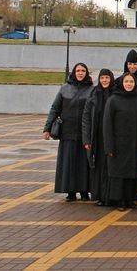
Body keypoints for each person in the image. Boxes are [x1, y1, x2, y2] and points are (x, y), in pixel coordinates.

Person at [43, 62, 93, 201]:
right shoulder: (65, 89)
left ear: (86, 73)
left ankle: (84, 191)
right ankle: (70, 191)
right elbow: (55, 108)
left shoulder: (91, 89)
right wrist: (47, 128)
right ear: (73, 73)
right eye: (78, 70)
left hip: (84, 132)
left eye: (83, 70)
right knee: (68, 163)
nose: (80, 73)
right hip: (68, 132)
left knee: (84, 163)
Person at [103, 73, 137, 211]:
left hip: (135, 144)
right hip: (119, 144)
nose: (129, 84)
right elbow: (107, 124)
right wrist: (109, 147)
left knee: (133, 172)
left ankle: (130, 199)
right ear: (122, 83)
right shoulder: (113, 100)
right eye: (127, 81)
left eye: (131, 82)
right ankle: (119, 200)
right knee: (119, 173)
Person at [82, 68, 114, 206]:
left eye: (107, 78)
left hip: (111, 137)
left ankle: (111, 195)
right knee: (99, 167)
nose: (105, 80)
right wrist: (87, 139)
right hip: (97, 137)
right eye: (102, 78)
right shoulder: (93, 94)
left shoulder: (115, 94)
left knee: (110, 167)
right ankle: (100, 196)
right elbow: (86, 118)